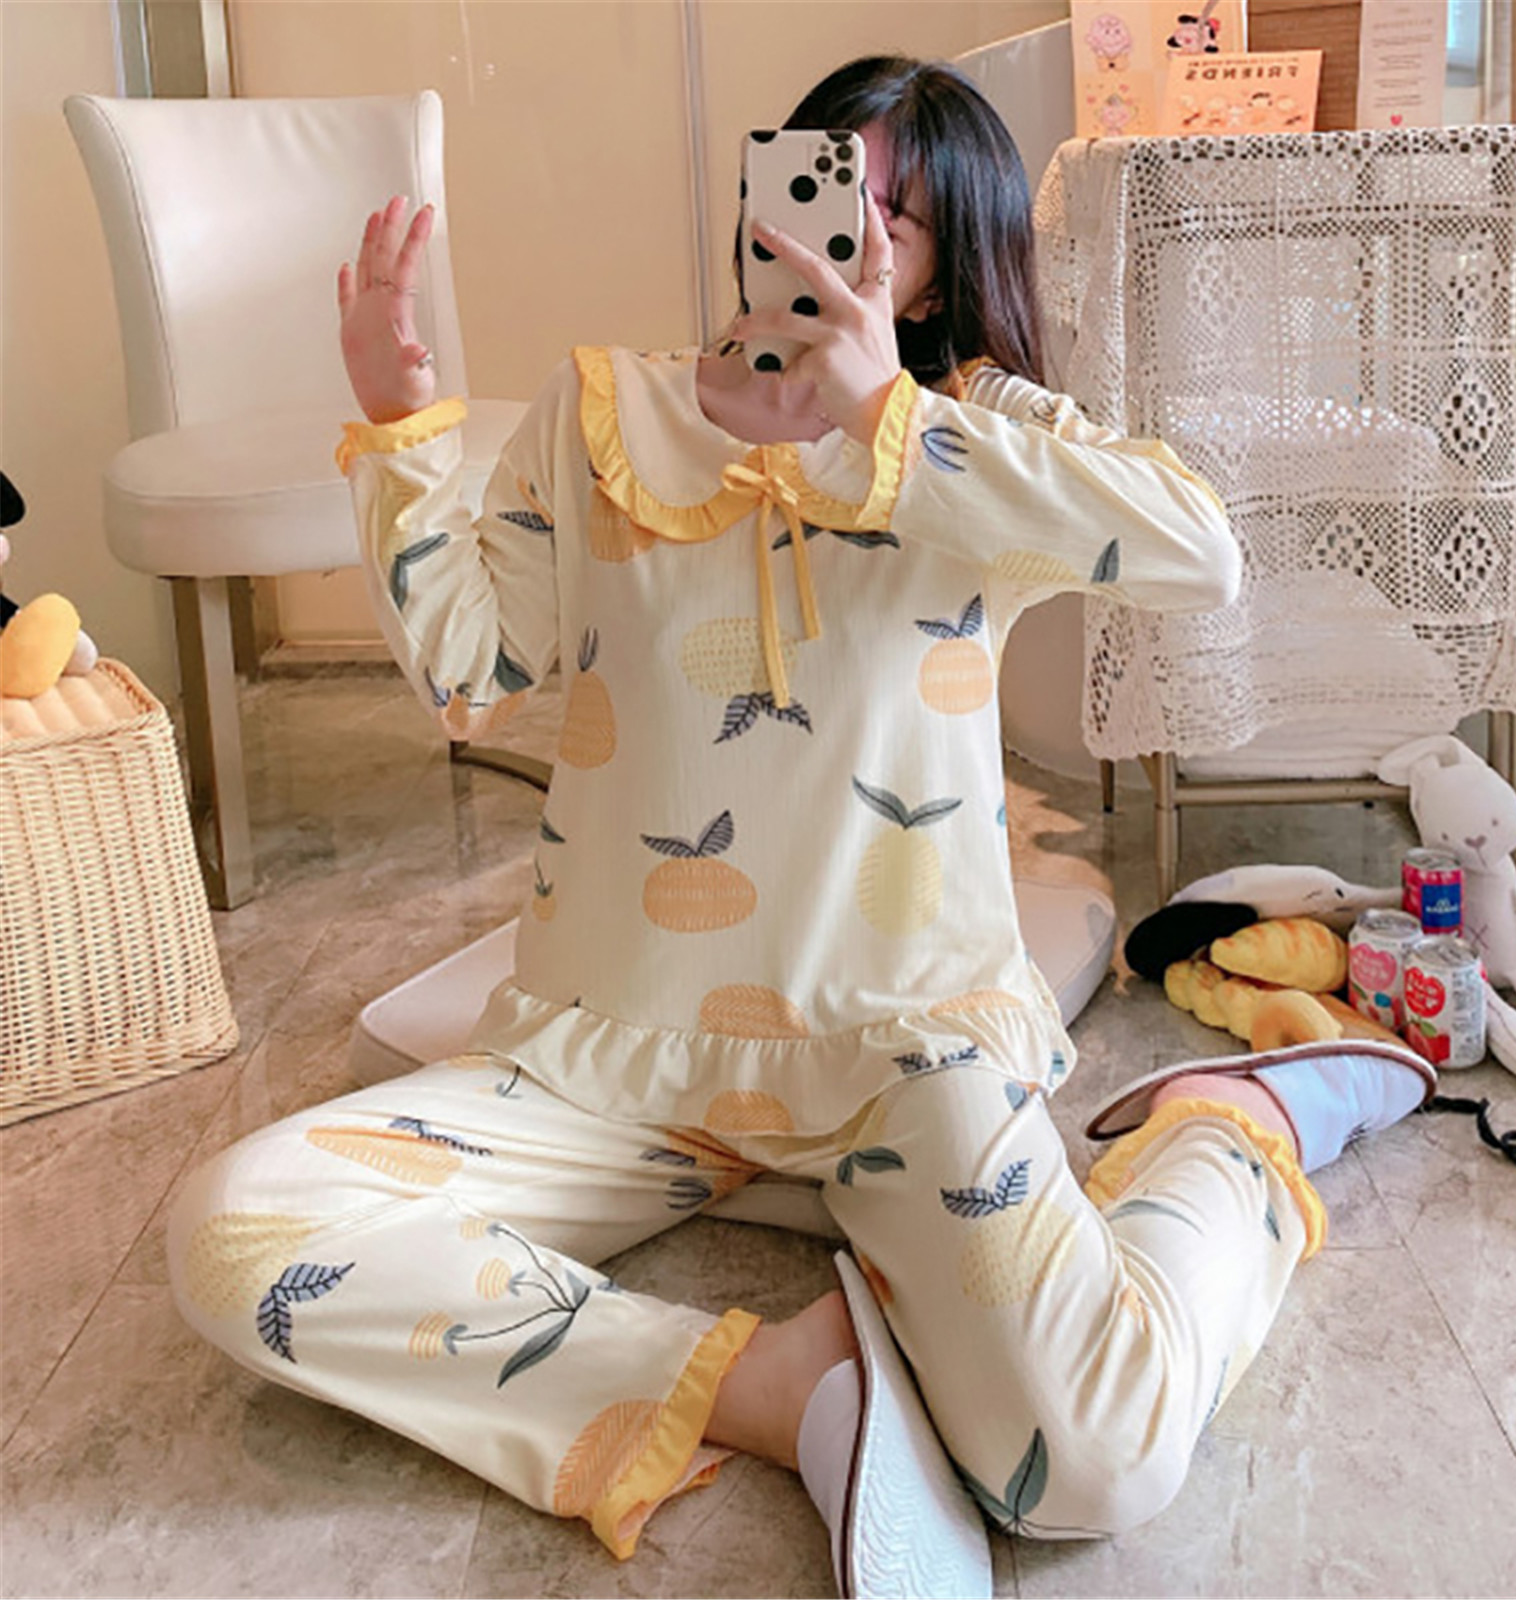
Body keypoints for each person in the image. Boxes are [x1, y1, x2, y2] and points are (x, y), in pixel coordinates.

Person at [167, 55, 1434, 1599]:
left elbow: (1201, 554)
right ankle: (782, 1385)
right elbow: (469, 676)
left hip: (901, 1052)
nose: (848, 234)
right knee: (240, 1231)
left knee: (1091, 1462)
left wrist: (889, 416)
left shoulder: (973, 431)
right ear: (766, 194)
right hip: (615, 1061)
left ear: (944, 267)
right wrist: (398, 425)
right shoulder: (604, 413)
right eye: (831, 184)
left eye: (896, 217)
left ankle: (1224, 1140)